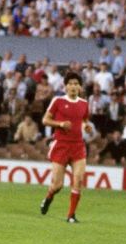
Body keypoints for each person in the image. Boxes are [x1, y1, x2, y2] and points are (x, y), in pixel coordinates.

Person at [39, 71, 93, 223]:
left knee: (78, 180)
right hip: (61, 145)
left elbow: (84, 119)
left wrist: (86, 126)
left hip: (78, 146)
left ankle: (71, 215)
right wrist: (60, 124)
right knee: (57, 185)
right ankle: (49, 196)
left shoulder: (84, 104)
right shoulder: (58, 101)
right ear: (65, 86)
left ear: (80, 87)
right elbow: (45, 120)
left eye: (76, 84)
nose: (73, 87)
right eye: (70, 84)